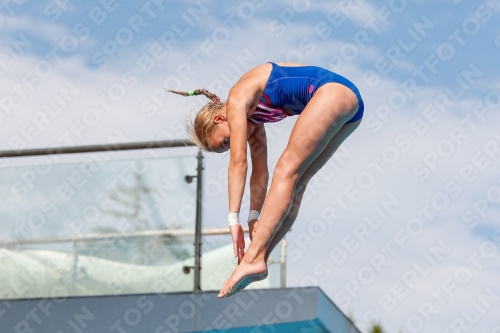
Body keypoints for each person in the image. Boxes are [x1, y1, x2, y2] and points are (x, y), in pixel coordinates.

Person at [168, 61, 364, 298]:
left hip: (333, 92)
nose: (232, 145)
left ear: (219, 119)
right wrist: (253, 217)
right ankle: (258, 259)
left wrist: (233, 221)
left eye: (225, 143)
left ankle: (253, 258)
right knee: (297, 183)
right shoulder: (255, 121)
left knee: (286, 170)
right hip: (351, 109)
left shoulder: (238, 99)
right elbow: (259, 173)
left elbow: (239, 162)